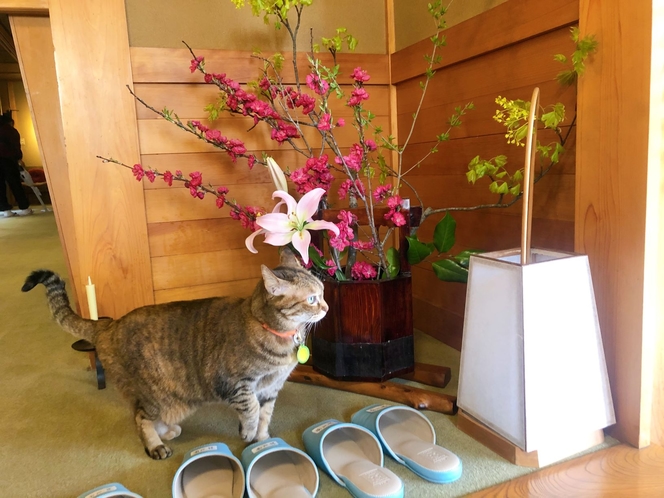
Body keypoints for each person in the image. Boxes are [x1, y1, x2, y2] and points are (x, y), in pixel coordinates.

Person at [0, 110, 31, 217]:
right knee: (15, 183)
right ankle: (24, 207)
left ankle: (5, 210)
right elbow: (15, 147)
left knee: (0, 186)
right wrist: (19, 158)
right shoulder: (11, 131)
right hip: (8, 160)